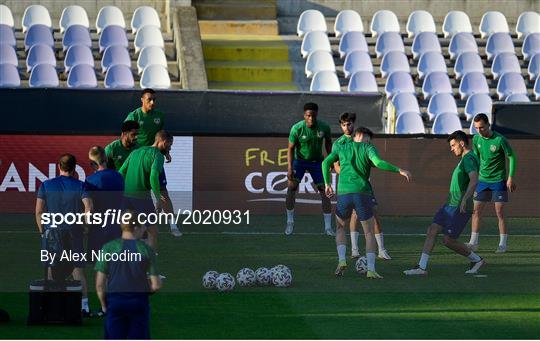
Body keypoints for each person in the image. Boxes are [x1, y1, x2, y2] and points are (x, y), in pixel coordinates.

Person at [322, 127, 412, 279]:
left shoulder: (342, 147)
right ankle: (371, 269)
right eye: (368, 139)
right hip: (362, 194)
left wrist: (327, 183)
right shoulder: (368, 148)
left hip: (344, 193)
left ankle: (342, 260)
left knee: (339, 227)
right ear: (361, 136)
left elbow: (325, 163)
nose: (369, 142)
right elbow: (379, 162)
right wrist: (399, 170)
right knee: (369, 232)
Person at [404, 131, 485, 275]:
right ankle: (421, 267)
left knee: (448, 240)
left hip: (460, 206)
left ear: (462, 143)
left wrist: (465, 199)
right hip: (450, 204)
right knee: (432, 229)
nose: (451, 148)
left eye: (453, 145)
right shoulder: (465, 159)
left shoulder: (469, 159)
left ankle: (477, 260)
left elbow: (474, 179)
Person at [35, 154, 93, 316]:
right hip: (74, 232)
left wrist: (42, 232)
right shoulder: (81, 186)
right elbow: (89, 207)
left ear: (59, 167)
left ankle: (51, 306)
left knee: (50, 269)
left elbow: (39, 211)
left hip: (51, 233)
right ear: (75, 169)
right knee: (77, 269)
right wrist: (86, 225)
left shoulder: (46, 185)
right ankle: (84, 306)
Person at [332, 112, 391, 260]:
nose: (347, 127)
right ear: (341, 126)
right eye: (344, 124)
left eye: (349, 124)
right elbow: (335, 166)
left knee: (374, 215)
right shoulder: (338, 144)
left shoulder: (361, 139)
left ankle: (382, 250)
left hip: (364, 186)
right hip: (349, 186)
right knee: (354, 216)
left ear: (353, 124)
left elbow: (372, 161)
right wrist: (350, 173)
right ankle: (354, 249)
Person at [95, 210, 162, 339]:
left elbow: (99, 285)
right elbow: (156, 285)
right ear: (135, 228)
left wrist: (104, 305)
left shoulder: (108, 248)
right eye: (142, 226)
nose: (144, 229)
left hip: (115, 302)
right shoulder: (146, 249)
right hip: (138, 303)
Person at [124, 89, 181, 237]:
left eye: (154, 99)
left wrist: (166, 151)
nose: (152, 102)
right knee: (134, 194)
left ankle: (173, 225)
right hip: (139, 159)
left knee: (163, 193)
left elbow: (162, 138)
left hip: (154, 157)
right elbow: (125, 136)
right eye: (149, 99)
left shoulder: (159, 116)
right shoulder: (134, 116)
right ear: (142, 100)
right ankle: (130, 229)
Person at [466, 113, 517, 253]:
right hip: (483, 181)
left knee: (499, 212)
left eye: (482, 127)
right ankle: (473, 242)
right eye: (476, 128)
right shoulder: (476, 139)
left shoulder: (500, 140)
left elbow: (512, 157)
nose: (479, 130)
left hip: (498, 181)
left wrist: (510, 177)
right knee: (476, 211)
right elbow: (477, 158)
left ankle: (502, 244)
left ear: (488, 125)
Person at [119, 130, 173, 251]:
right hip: (142, 198)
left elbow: (121, 172)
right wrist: (158, 199)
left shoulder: (135, 152)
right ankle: (150, 267)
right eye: (169, 145)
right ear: (164, 142)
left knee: (128, 230)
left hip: (126, 196)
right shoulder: (158, 156)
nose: (170, 148)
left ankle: (126, 260)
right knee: (152, 231)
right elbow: (153, 177)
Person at [286, 102, 333, 236]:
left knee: (325, 192)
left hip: (317, 162)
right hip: (299, 162)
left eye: (313, 116)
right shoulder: (297, 128)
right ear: (304, 115)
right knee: (291, 187)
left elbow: (329, 143)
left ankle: (328, 227)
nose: (311, 118)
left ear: (316, 114)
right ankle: (290, 222)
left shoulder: (324, 127)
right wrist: (289, 167)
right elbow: (290, 148)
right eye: (308, 116)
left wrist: (330, 161)